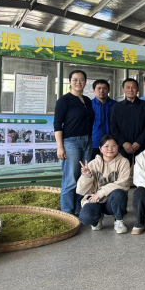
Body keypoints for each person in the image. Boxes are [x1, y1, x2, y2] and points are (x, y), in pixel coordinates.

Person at [54, 70, 95, 216]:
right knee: (70, 178)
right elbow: (57, 125)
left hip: (87, 142)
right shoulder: (64, 100)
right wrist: (60, 147)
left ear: (85, 82)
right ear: (70, 82)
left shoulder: (87, 100)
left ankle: (79, 210)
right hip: (71, 142)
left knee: (83, 177)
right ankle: (67, 212)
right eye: (75, 79)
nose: (78, 82)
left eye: (82, 79)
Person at [77, 135, 131, 234]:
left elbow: (124, 183)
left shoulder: (124, 162)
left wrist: (100, 193)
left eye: (113, 145)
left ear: (118, 147)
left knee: (119, 193)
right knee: (85, 218)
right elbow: (81, 190)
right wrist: (86, 176)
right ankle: (97, 218)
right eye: (106, 146)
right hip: (96, 200)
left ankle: (118, 220)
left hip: (112, 201)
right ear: (100, 149)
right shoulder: (92, 164)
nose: (110, 149)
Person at [110, 78, 145, 165]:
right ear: (123, 89)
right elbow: (113, 127)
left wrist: (139, 142)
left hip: (142, 145)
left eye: (133, 87)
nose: (130, 90)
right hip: (123, 147)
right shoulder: (117, 107)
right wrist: (123, 143)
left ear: (137, 89)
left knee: (142, 170)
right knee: (123, 170)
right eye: (127, 87)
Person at [91, 80, 117, 159]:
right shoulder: (89, 104)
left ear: (108, 90)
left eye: (104, 88)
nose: (101, 91)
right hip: (94, 142)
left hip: (112, 142)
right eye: (99, 88)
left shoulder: (116, 105)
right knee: (94, 164)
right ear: (94, 90)